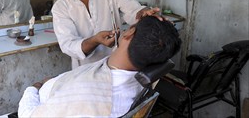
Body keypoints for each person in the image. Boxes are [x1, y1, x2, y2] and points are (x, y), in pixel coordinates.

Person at [18, 16, 181, 117]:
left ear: (129, 34)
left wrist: (34, 88)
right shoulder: (135, 80)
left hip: (39, 100)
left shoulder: (85, 96)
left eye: (128, 28)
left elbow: (28, 115)